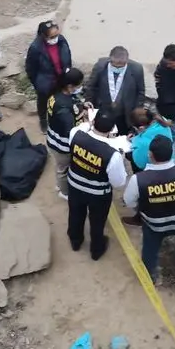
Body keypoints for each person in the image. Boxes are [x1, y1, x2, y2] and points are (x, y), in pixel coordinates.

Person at [122, 135, 175, 284]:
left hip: (154, 225)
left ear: (150, 155)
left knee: (150, 247)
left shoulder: (139, 179)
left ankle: (149, 273)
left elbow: (129, 202)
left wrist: (141, 210)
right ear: (171, 153)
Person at [67, 109, 128, 260]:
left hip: (74, 185)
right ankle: (96, 250)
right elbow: (118, 182)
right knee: (97, 221)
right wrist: (122, 157)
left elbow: (83, 128)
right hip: (98, 194)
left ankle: (75, 241)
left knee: (75, 214)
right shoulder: (113, 155)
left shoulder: (75, 133)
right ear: (112, 130)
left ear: (93, 122)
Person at [45, 68, 89, 201]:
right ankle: (64, 192)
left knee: (60, 166)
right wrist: (87, 123)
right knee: (63, 169)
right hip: (62, 145)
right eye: (79, 85)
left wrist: (82, 105)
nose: (80, 88)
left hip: (53, 138)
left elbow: (73, 104)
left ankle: (60, 184)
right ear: (70, 86)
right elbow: (70, 130)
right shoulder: (63, 107)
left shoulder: (56, 95)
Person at [85, 46, 145, 136]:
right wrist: (88, 102)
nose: (118, 68)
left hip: (124, 114)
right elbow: (91, 86)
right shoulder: (100, 66)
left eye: (121, 66)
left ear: (127, 60)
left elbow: (140, 92)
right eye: (115, 65)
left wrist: (136, 112)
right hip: (103, 111)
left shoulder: (137, 69)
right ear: (110, 59)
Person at [25, 20, 72, 133]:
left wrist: (68, 69)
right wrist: (37, 84)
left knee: (59, 100)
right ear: (43, 36)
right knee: (42, 102)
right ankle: (43, 120)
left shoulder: (61, 40)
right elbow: (30, 69)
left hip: (61, 79)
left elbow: (68, 55)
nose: (55, 38)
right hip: (45, 82)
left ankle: (56, 118)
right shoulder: (36, 48)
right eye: (52, 36)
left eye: (57, 35)